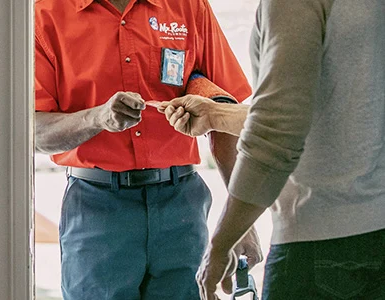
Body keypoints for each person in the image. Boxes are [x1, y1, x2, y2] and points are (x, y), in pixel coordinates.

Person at [34, 0, 263, 298]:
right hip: (96, 209)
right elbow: (36, 132)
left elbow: (224, 111)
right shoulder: (46, 15)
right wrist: (97, 118)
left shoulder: (189, 6)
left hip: (181, 207)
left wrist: (241, 222)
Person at [160, 0, 385, 299]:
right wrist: (217, 115)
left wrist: (222, 243)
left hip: (321, 246)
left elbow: (278, 132)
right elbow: (332, 112)